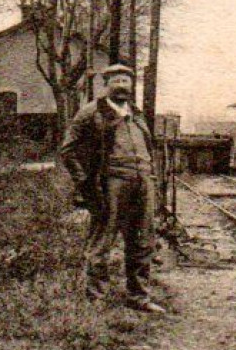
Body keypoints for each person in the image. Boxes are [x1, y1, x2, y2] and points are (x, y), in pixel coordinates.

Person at [60, 64, 166, 313]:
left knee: (142, 240)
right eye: (116, 80)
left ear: (132, 86)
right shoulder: (91, 113)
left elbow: (149, 151)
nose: (121, 85)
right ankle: (95, 298)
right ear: (105, 85)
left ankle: (138, 297)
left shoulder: (137, 115)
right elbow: (68, 150)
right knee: (102, 241)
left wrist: (153, 181)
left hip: (142, 183)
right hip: (110, 184)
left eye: (126, 81)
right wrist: (85, 183)